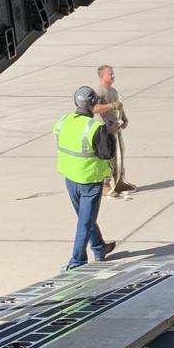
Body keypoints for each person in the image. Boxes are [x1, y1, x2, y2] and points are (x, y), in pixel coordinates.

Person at [55, 86, 118, 271]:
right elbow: (107, 154)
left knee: (85, 218)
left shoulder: (62, 121)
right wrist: (110, 132)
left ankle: (99, 247)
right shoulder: (95, 128)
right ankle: (77, 262)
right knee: (85, 221)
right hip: (89, 180)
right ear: (93, 104)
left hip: (69, 178)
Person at [95, 64, 136, 196]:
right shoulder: (98, 91)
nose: (113, 76)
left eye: (113, 73)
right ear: (102, 76)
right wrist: (111, 105)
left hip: (116, 129)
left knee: (120, 155)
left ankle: (119, 182)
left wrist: (124, 118)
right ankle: (105, 185)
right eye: (110, 74)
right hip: (105, 131)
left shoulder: (113, 91)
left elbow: (119, 107)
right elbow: (94, 108)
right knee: (108, 158)